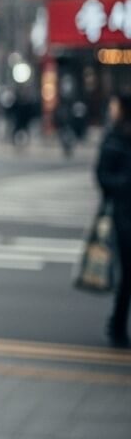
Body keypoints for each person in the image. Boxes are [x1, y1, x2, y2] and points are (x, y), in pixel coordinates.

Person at [95, 94, 131, 348]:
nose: (111, 110)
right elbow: (102, 176)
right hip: (123, 214)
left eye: (115, 106)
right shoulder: (114, 138)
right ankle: (117, 324)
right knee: (127, 273)